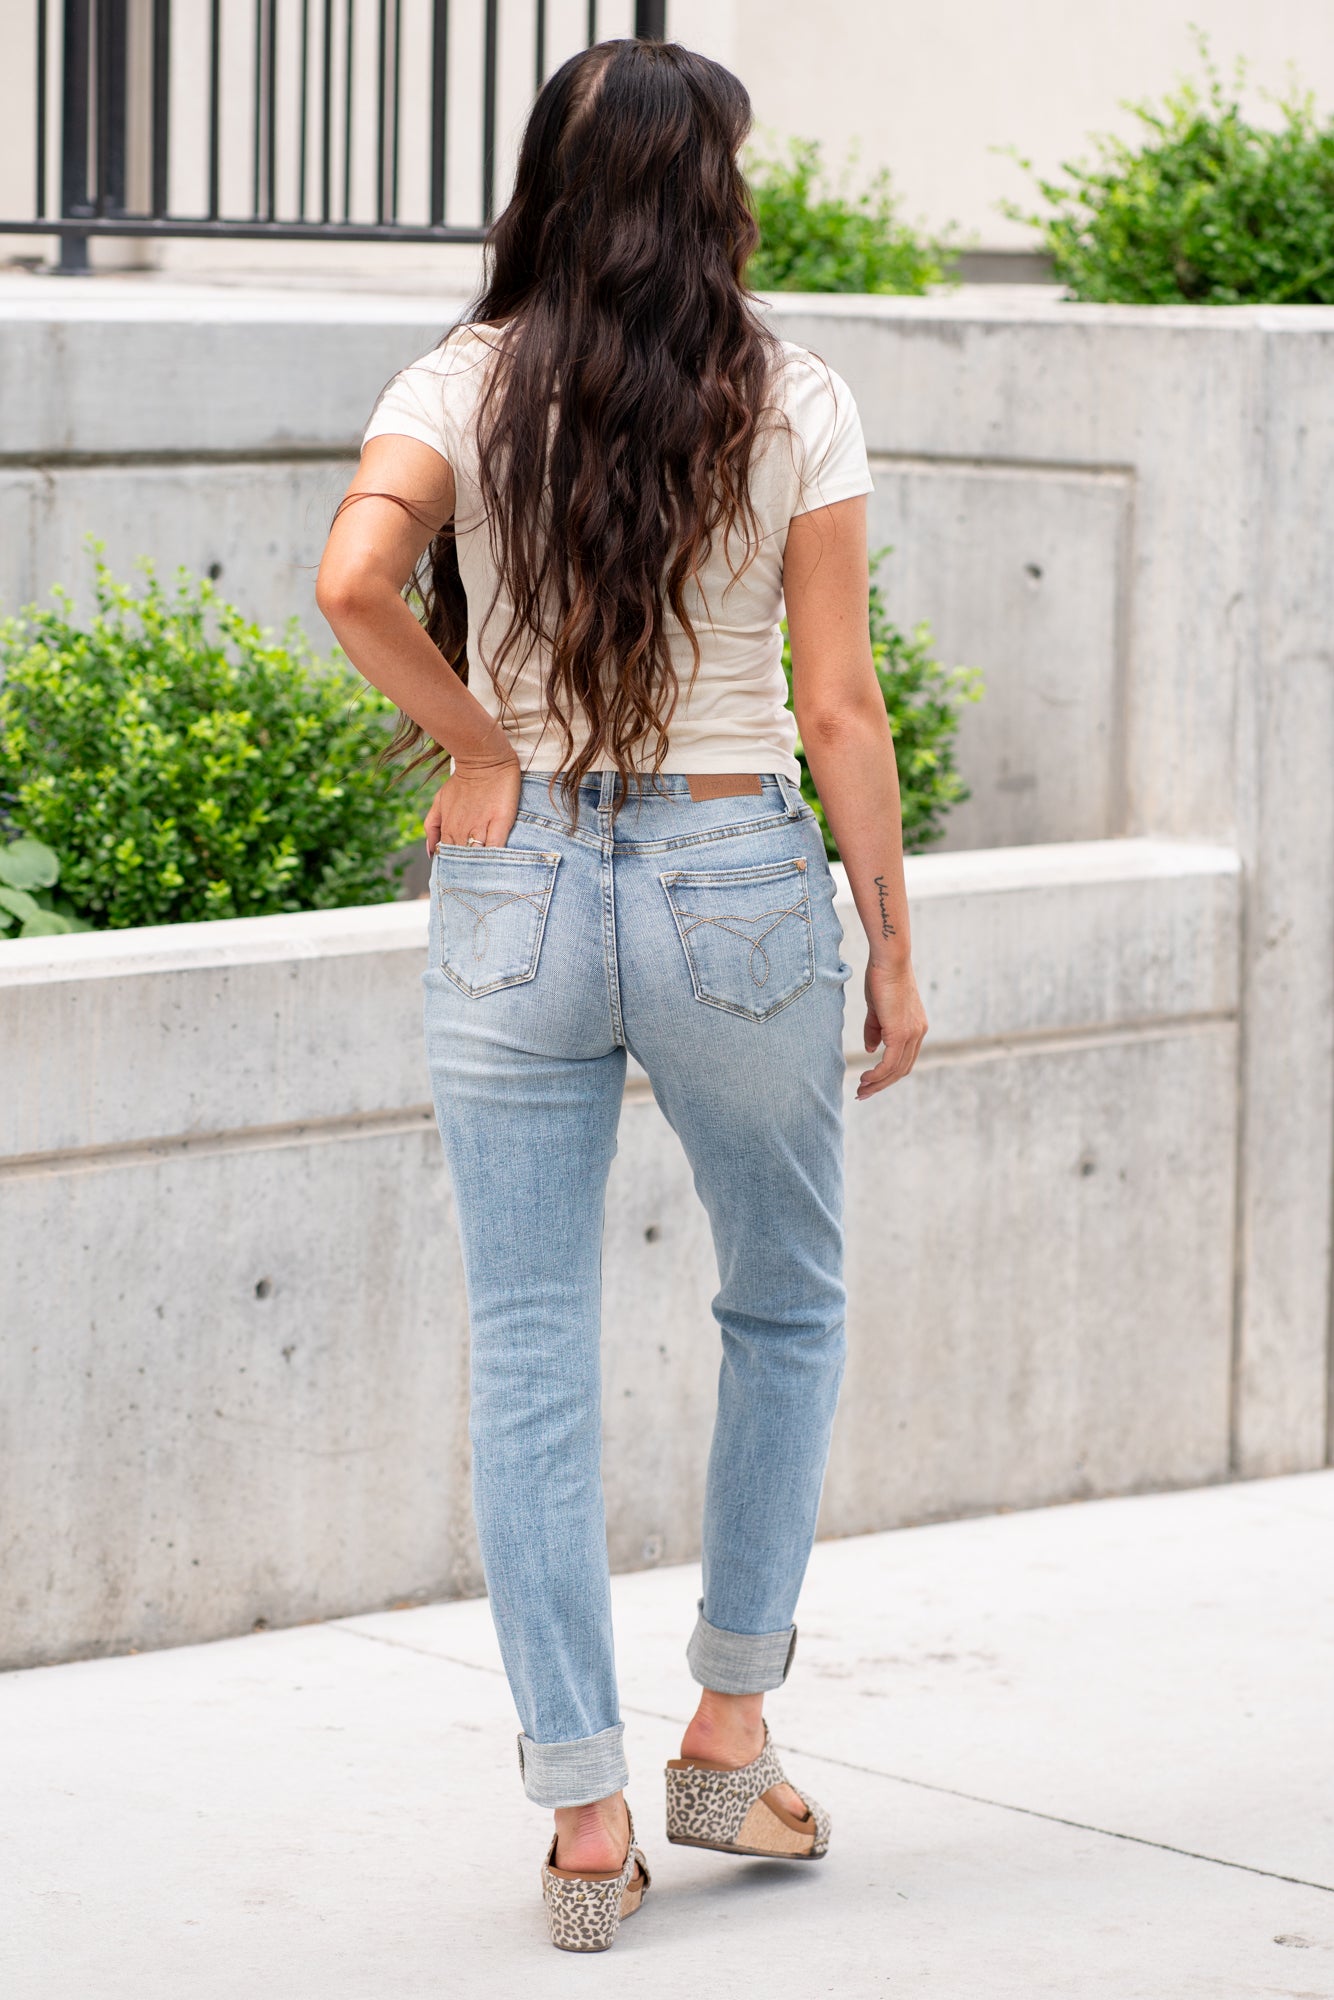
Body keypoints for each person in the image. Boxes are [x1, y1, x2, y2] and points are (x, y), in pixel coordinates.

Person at [317, 36, 927, 1955]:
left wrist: (479, 743)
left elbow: (352, 582)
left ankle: (587, 1824)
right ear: (711, 191)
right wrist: (890, 937)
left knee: (526, 1347)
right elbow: (837, 703)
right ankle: (727, 1731)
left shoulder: (459, 381)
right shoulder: (791, 394)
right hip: (734, 875)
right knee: (784, 1297)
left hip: (513, 885)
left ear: (548, 187)